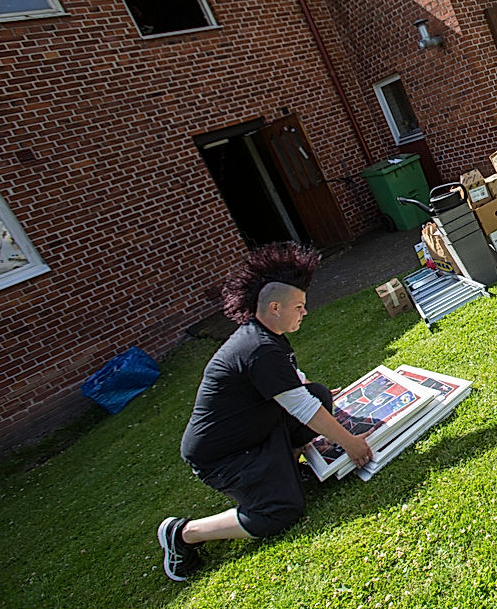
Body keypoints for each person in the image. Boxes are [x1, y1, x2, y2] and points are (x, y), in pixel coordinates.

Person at [157, 243, 374, 582]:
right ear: (275, 307)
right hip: (224, 457)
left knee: (316, 393)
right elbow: (299, 406)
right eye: (299, 307)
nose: (304, 312)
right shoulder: (257, 349)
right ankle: (183, 534)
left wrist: (315, 394)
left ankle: (286, 467)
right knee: (284, 509)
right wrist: (351, 443)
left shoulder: (266, 336)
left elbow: (294, 385)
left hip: (255, 431)